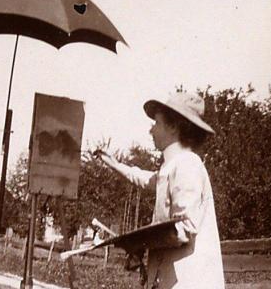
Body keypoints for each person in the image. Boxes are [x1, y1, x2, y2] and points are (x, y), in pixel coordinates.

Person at [95, 92, 225, 289]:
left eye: (156, 123)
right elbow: (148, 179)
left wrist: (139, 242)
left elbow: (185, 228)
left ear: (174, 126)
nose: (151, 130)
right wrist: (114, 164)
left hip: (189, 282)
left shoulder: (187, 165)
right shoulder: (172, 167)